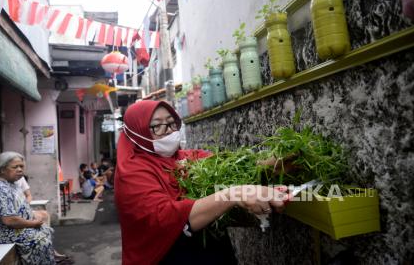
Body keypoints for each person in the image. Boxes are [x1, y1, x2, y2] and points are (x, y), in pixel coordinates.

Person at [114, 100, 289, 265]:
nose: (167, 130)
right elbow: (164, 218)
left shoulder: (186, 158)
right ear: (138, 132)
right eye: (156, 126)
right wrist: (234, 194)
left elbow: (229, 166)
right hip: (167, 256)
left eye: (171, 122)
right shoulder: (132, 173)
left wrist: (267, 165)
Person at [0, 151, 56, 264]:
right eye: (15, 167)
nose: (20, 169)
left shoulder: (11, 183)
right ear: (2, 169)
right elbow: (9, 220)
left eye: (21, 166)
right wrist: (33, 223)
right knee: (40, 241)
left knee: (45, 230)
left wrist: (32, 220)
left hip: (13, 228)